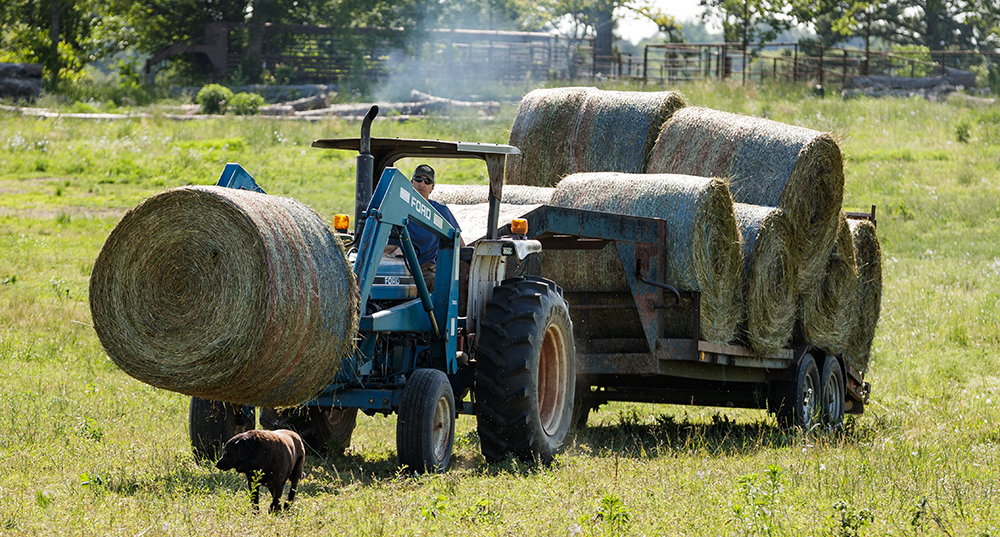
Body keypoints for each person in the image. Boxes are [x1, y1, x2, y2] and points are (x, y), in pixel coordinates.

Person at [386, 164, 463, 292]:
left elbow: (459, 245)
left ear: (432, 188)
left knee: (434, 280)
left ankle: (433, 312)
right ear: (411, 182)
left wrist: (442, 265)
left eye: (427, 181)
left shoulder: (440, 212)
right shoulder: (397, 206)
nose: (422, 184)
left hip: (423, 267)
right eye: (418, 179)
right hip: (395, 264)